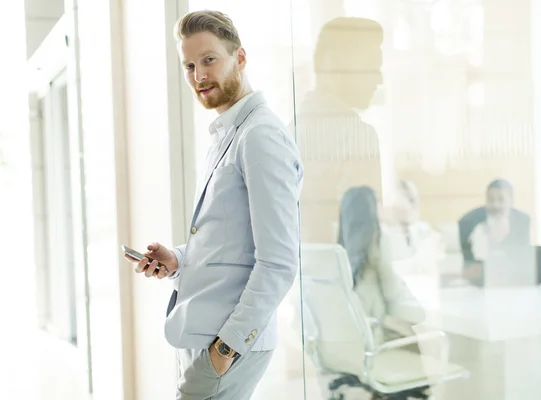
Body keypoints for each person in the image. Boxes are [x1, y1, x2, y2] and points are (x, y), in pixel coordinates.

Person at [124, 10, 304, 400]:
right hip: (204, 333)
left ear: (239, 57)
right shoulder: (227, 134)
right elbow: (232, 242)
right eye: (189, 65)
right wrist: (179, 259)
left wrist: (225, 350)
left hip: (227, 344)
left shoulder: (260, 137)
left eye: (209, 60)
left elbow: (279, 261)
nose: (199, 75)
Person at [292, 17, 384, 244]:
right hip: (342, 276)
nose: (379, 79)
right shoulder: (357, 136)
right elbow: (363, 243)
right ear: (332, 63)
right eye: (371, 67)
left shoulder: (284, 134)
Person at [337, 186, 425, 339]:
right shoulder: (377, 241)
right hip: (376, 330)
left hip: (353, 334)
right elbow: (391, 290)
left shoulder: (340, 248)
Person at [458, 179, 530, 279]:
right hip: (480, 279)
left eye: (501, 199)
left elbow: (523, 257)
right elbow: (469, 264)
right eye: (491, 200)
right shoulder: (468, 222)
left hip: (513, 278)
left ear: (511, 200)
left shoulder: (522, 221)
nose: (496, 205)